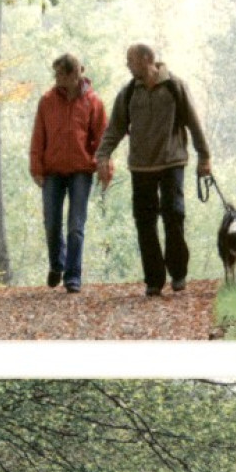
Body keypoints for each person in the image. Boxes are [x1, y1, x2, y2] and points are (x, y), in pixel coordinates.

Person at [95, 43, 213, 298]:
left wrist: (204, 157)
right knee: (145, 223)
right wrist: (102, 155)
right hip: (141, 166)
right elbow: (114, 128)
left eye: (131, 59)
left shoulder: (174, 86)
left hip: (172, 162)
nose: (127, 64)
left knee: (174, 215)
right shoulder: (128, 93)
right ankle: (154, 280)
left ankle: (178, 273)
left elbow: (194, 123)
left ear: (147, 59)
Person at [30, 54, 109, 294]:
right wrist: (36, 167)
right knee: (51, 223)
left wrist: (105, 168)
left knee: (76, 225)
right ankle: (57, 264)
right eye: (55, 74)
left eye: (61, 74)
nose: (56, 79)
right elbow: (38, 136)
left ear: (75, 75)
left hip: (81, 171)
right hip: (52, 170)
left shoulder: (94, 102)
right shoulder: (46, 100)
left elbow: (102, 140)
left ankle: (73, 276)